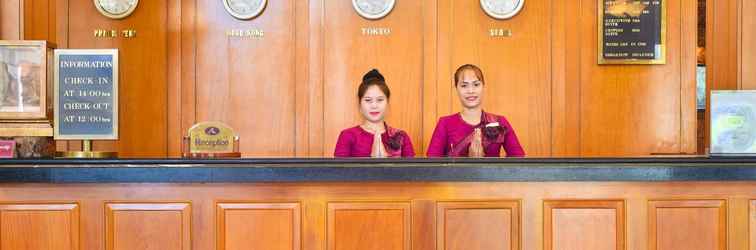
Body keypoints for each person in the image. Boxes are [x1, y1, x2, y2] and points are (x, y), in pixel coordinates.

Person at [426, 64, 525, 157]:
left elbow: (519, 161)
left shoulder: (499, 122)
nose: (471, 91)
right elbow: (431, 167)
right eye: (464, 86)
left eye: (476, 84)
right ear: (456, 88)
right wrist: (469, 162)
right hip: (455, 176)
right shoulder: (445, 123)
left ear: (483, 86)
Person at [333, 69, 415, 157]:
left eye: (380, 100)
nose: (374, 105)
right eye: (368, 100)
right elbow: (338, 170)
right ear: (360, 104)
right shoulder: (347, 136)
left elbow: (413, 170)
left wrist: (386, 160)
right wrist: (372, 159)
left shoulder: (401, 136)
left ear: (387, 102)